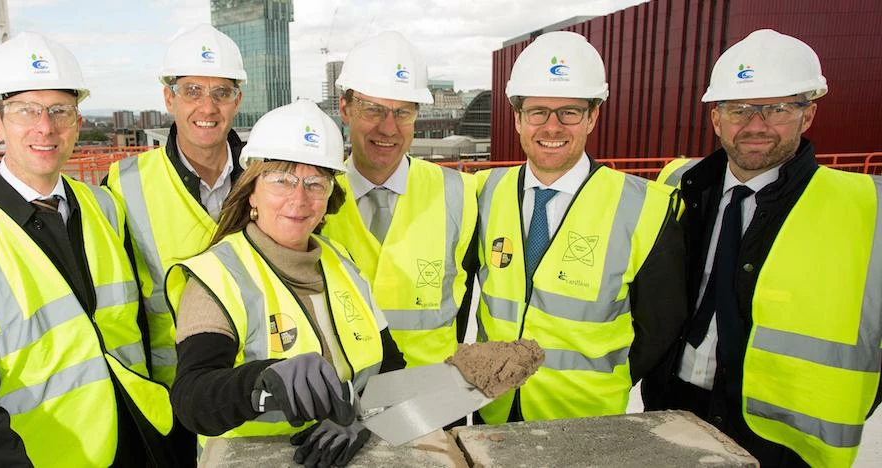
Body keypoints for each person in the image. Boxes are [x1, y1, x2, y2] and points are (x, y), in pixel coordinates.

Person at [0, 32, 178, 466]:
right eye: (25, 111)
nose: (45, 127)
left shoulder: (103, 206)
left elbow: (135, 326)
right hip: (44, 457)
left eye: (59, 111)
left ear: (78, 121)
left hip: (141, 438)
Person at [642, 29, 882, 467]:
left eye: (776, 108)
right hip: (674, 404)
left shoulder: (867, 206)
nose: (756, 125)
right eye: (739, 110)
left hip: (785, 434)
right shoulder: (680, 184)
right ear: (717, 119)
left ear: (807, 115)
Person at [167, 100, 406, 467]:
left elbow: (390, 367)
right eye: (282, 180)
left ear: (329, 198)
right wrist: (260, 382)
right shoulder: (217, 277)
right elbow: (192, 399)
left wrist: (364, 418)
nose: (299, 199)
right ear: (251, 192)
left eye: (315, 183)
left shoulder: (341, 264)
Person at [475, 31, 688, 424]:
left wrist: (603, 379)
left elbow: (659, 326)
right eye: (538, 111)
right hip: (495, 410)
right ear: (518, 118)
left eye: (569, 112)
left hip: (586, 419)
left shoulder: (646, 207)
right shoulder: (485, 191)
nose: (552, 127)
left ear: (592, 116)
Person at [321, 31, 478, 369]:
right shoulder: (313, 198)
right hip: (342, 405)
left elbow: (464, 308)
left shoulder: (461, 193)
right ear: (345, 109)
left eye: (402, 112)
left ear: (417, 115)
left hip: (431, 404)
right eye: (373, 109)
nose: (388, 128)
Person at [105, 24, 246, 387]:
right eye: (192, 91)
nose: (207, 107)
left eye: (222, 93)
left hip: (258, 390)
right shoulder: (124, 185)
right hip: (172, 395)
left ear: (237, 101)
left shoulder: (267, 178)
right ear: (169, 99)